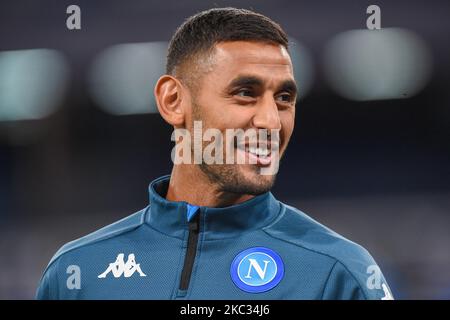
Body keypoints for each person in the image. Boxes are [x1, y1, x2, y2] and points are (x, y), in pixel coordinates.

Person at [36, 7, 393, 300]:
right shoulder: (78, 273)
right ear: (173, 101)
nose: (271, 120)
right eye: (245, 93)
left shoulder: (337, 274)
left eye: (284, 98)